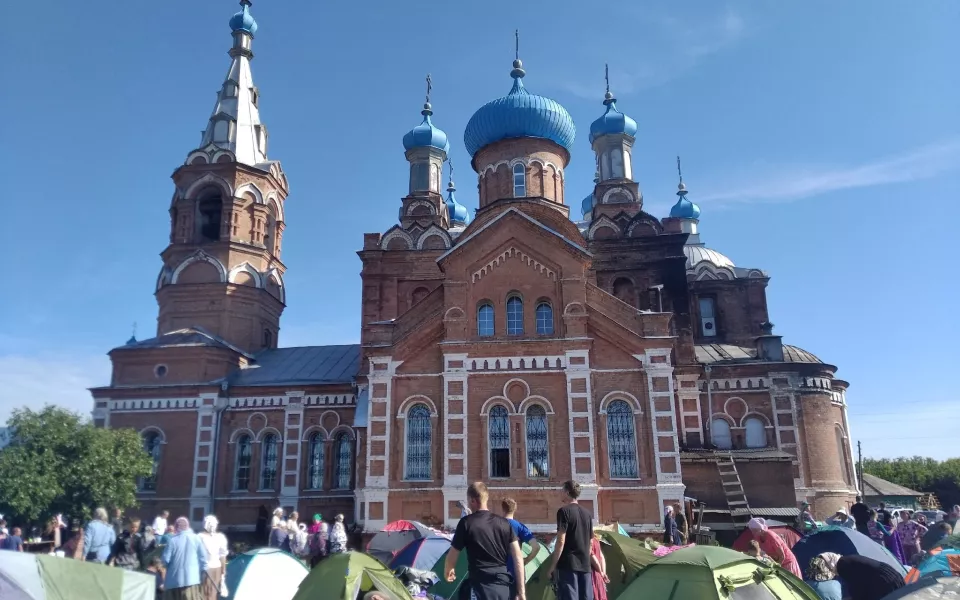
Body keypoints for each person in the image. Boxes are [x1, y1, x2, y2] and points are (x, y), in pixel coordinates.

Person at [445, 482, 523, 600]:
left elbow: (453, 553)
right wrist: (521, 592)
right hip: (503, 587)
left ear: (472, 500)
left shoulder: (466, 523)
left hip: (479, 587)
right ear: (486, 498)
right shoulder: (505, 524)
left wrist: (449, 569)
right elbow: (518, 557)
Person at [545, 480, 595, 600]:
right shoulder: (587, 514)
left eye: (562, 491)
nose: (561, 493)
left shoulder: (564, 512)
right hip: (585, 566)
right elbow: (591, 541)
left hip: (568, 565)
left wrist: (553, 565)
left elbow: (561, 540)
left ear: (567, 492)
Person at [501, 498, 542, 599]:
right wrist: (526, 560)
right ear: (515, 509)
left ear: (502, 509)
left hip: (498, 572)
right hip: (516, 572)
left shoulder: (494, 525)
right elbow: (536, 547)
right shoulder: (520, 527)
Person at [162, 517, 208, 600]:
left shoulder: (172, 540)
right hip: (192, 580)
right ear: (188, 526)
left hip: (174, 581)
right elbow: (204, 558)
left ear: (176, 527)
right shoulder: (196, 538)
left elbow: (165, 560)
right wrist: (203, 572)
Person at [835, 554, 905, 600]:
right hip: (889, 576)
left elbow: (857, 590)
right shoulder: (847, 560)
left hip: (884, 581)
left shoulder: (843, 565)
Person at [198, 515, 228, 600]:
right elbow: (223, 555)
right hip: (217, 567)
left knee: (204, 592)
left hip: (205, 568)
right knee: (213, 592)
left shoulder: (200, 537)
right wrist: (223, 570)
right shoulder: (221, 537)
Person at [589, 532, 609, 600]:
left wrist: (600, 571)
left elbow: (594, 560)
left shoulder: (588, 542)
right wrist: (603, 573)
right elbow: (602, 557)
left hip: (592, 574)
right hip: (599, 575)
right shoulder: (596, 540)